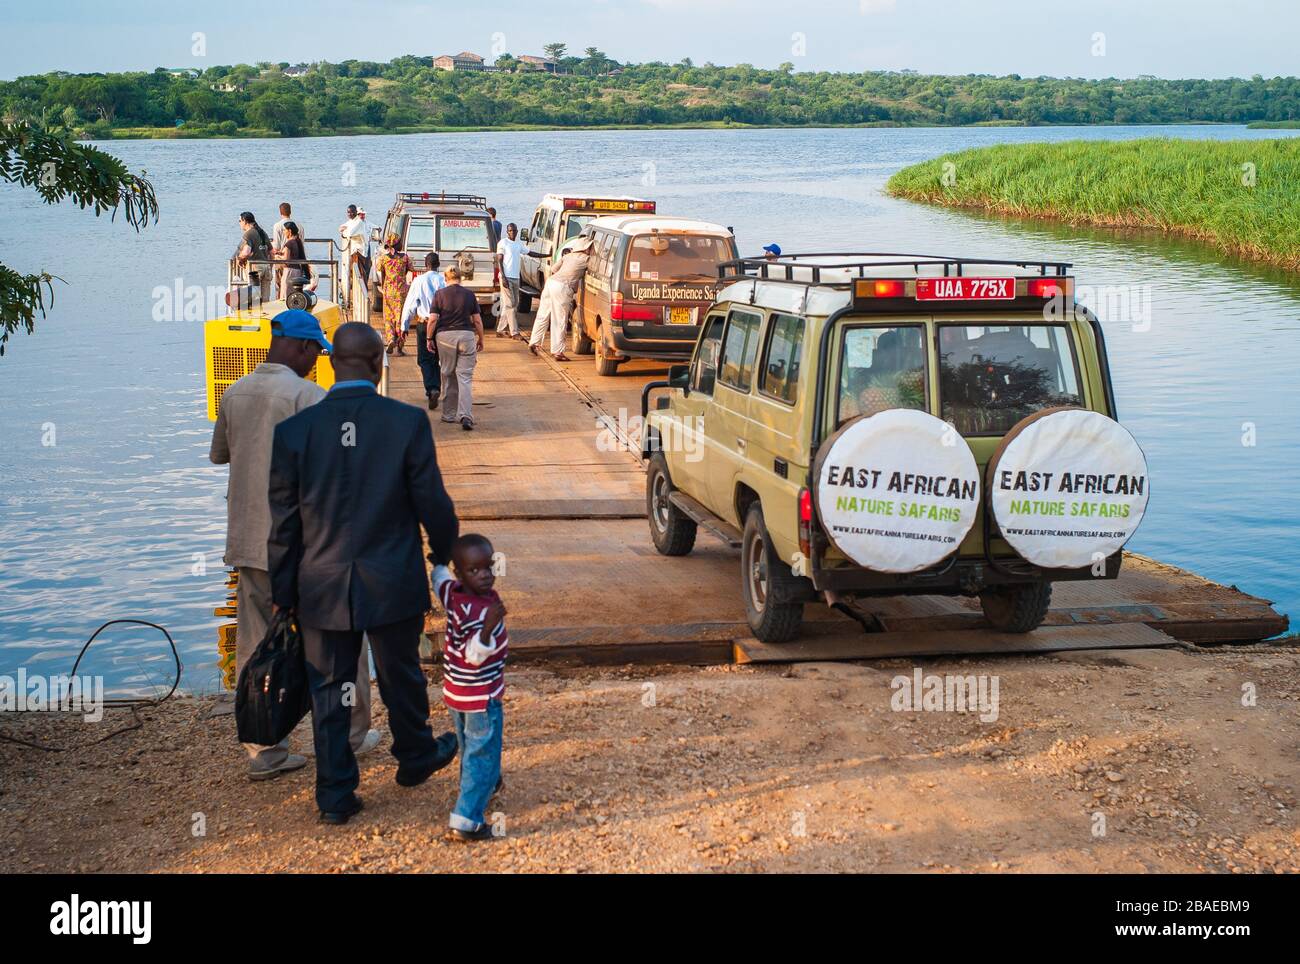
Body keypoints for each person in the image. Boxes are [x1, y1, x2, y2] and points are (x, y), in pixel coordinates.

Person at [268, 322, 460, 824]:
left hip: (320, 583)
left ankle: (335, 795)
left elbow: (284, 525)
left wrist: (283, 591)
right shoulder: (406, 422)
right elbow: (434, 504)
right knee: (400, 673)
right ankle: (415, 756)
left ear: (331, 363)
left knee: (329, 688)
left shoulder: (294, 433)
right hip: (391, 577)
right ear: (378, 366)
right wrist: (442, 557)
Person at [209, 309, 378, 781]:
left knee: (256, 646)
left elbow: (222, 455)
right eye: (316, 354)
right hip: (305, 547)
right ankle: (348, 737)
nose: (316, 363)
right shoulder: (310, 397)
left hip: (248, 542)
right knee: (342, 643)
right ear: (303, 349)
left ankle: (264, 749)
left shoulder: (234, 392)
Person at [432, 534, 508, 842]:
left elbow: (439, 581)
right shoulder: (483, 612)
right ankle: (466, 820)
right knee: (483, 753)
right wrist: (489, 626)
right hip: (481, 697)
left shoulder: (452, 593)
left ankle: (484, 786)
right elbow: (473, 655)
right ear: (461, 573)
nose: (485, 575)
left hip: (455, 693)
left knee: (469, 748)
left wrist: (436, 564)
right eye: (475, 570)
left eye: (488, 567)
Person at [428, 265, 484, 431]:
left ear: (446, 278)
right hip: (466, 336)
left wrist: (429, 338)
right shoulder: (469, 295)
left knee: (447, 374)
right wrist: (481, 338)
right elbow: (477, 320)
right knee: (465, 378)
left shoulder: (439, 295)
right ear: (461, 278)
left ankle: (449, 414)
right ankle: (465, 415)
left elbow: (432, 320)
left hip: (445, 337)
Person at [529, 234, 593, 362]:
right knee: (559, 320)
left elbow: (553, 269)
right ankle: (558, 351)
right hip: (562, 287)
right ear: (586, 248)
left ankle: (534, 342)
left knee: (543, 315)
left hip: (551, 283)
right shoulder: (586, 259)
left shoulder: (567, 256)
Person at [401, 252, 446, 410]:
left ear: (426, 265)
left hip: (424, 324)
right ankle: (437, 388)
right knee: (438, 359)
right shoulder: (444, 280)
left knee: (424, 359)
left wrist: (404, 327)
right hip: (441, 325)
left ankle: (431, 388)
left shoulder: (419, 281)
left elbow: (410, 305)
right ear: (438, 264)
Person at [375, 233, 413, 355]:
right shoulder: (405, 258)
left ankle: (391, 339)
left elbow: (380, 272)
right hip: (401, 292)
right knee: (401, 318)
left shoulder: (383, 258)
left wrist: (384, 286)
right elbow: (410, 269)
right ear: (397, 244)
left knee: (389, 318)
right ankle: (400, 346)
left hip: (388, 292)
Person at [494, 223, 527, 340]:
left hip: (516, 278)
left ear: (517, 232)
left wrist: (547, 255)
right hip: (506, 277)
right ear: (507, 232)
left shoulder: (518, 244)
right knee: (510, 305)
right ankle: (514, 332)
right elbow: (499, 260)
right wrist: (503, 277)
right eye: (510, 230)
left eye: (514, 230)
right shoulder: (503, 243)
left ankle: (500, 329)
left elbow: (529, 252)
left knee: (512, 304)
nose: (512, 232)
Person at [235, 212, 271, 306]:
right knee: (265, 298)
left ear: (245, 221)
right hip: (266, 266)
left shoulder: (248, 234)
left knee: (254, 296)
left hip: (255, 268)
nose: (239, 223)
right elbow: (271, 251)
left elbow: (247, 251)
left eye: (239, 221)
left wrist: (239, 258)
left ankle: (254, 317)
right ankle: (266, 316)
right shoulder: (262, 232)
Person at [271, 202, 303, 299]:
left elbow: (276, 245)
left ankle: (280, 305)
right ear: (290, 211)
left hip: (283, 260)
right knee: (296, 287)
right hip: (298, 260)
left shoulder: (277, 226)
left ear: (280, 212)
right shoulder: (299, 225)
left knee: (280, 286)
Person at [339, 204, 369, 305]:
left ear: (356, 212)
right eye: (348, 212)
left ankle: (363, 297)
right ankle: (360, 294)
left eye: (352, 212)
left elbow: (350, 232)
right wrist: (342, 229)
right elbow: (343, 226)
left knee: (360, 273)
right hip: (355, 251)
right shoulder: (352, 221)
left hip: (360, 251)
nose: (350, 214)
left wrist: (343, 232)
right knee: (356, 273)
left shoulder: (359, 222)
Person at [280, 221, 317, 295]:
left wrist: (278, 258)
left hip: (290, 272)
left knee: (286, 294)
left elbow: (286, 262)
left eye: (284, 230)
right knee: (295, 294)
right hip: (298, 271)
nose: (283, 232)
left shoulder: (289, 244)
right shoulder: (298, 241)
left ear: (289, 231)